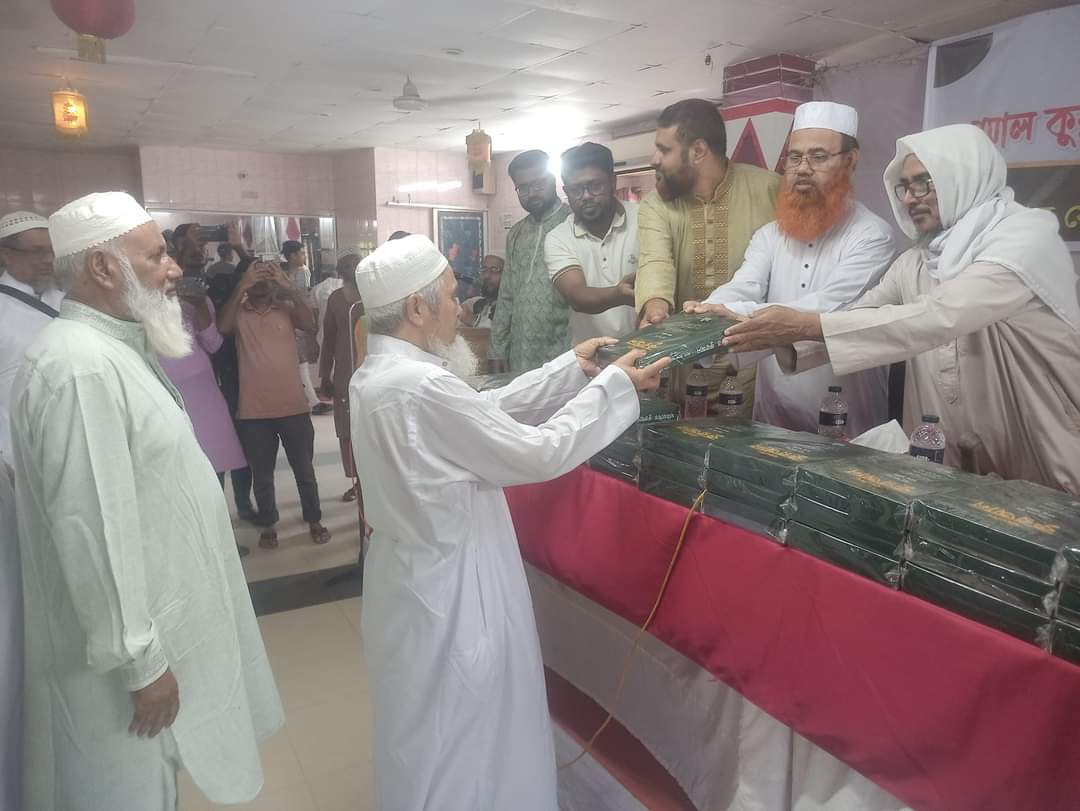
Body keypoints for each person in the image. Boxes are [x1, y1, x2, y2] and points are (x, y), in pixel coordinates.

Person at [349, 234, 669, 810]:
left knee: (426, 733)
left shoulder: (376, 375)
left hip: (408, 582)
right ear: (417, 309)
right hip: (456, 592)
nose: (459, 308)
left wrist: (571, 369)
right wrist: (615, 387)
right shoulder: (421, 386)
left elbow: (482, 415)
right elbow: (536, 454)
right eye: (451, 296)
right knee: (468, 738)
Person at [10, 192, 282, 811]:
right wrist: (140, 665)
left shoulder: (114, 349)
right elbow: (91, 527)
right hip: (114, 665)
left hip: (148, 626)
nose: (174, 268)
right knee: (119, 788)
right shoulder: (79, 367)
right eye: (156, 255)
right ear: (103, 268)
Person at [721, 124, 1080, 493]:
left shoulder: (1025, 240)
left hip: (1039, 449)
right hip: (951, 463)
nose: (910, 198)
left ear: (964, 177)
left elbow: (942, 315)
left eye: (924, 182)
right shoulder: (917, 261)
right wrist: (761, 333)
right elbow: (861, 313)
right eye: (904, 186)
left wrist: (802, 325)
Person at [685, 102, 895, 436]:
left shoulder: (872, 235)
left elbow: (829, 305)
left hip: (846, 416)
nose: (802, 169)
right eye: (795, 158)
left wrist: (734, 314)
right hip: (774, 413)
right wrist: (708, 312)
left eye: (818, 157)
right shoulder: (770, 235)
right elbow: (745, 284)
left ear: (850, 160)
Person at [635, 99, 780, 412]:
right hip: (687, 368)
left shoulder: (770, 190)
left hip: (756, 368)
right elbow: (655, 260)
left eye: (664, 149)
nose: (654, 159)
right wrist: (655, 306)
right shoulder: (656, 206)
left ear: (698, 151)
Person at [219, 257, 332, 548]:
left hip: (293, 407)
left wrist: (290, 288)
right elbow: (222, 328)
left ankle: (314, 520)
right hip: (254, 411)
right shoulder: (238, 313)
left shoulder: (287, 308)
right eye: (255, 278)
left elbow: (309, 324)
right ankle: (268, 524)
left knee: (304, 471)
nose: (261, 284)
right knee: (262, 475)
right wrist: (242, 286)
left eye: (266, 278)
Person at [158, 279, 251, 556]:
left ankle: (221, 541)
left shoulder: (195, 302)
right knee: (177, 475)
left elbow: (214, 343)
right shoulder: (136, 308)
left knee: (214, 472)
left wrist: (199, 305)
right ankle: (189, 544)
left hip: (205, 398)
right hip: (166, 398)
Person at [546, 142, 639, 345]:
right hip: (592, 357)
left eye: (595, 186)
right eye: (576, 189)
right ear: (566, 191)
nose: (586, 196)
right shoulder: (558, 237)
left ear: (613, 182)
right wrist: (618, 293)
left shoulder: (645, 218)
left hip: (652, 351)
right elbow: (576, 295)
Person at [489, 150, 572, 373]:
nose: (531, 193)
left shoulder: (573, 224)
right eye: (523, 188)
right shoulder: (516, 234)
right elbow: (506, 295)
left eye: (538, 184)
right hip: (519, 351)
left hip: (563, 349)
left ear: (552, 180)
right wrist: (497, 348)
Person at [0, 211, 63, 464]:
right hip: (18, 452)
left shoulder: (68, 301)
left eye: (51, 251)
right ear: (6, 254)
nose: (47, 260)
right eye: (36, 252)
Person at [207, 256, 256, 521]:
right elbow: (218, 332)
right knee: (219, 449)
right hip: (216, 383)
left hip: (242, 381)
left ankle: (243, 504)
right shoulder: (214, 303)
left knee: (242, 449)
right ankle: (219, 510)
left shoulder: (249, 304)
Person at [318, 253, 363, 502]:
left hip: (374, 370)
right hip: (345, 373)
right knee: (347, 428)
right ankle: (358, 481)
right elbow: (329, 340)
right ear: (339, 271)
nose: (350, 269)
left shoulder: (377, 294)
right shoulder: (336, 298)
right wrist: (325, 374)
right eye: (345, 266)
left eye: (355, 265)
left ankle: (373, 481)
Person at [281, 240, 328, 413]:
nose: (304, 257)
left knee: (301, 360)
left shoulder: (303, 271)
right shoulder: (284, 273)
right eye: (301, 253)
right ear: (292, 256)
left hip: (298, 319)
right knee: (300, 360)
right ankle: (312, 401)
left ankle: (311, 399)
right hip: (289, 319)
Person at [459, 253, 503, 328]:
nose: (487, 275)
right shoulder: (473, 303)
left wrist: (473, 320)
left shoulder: (515, 308)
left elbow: (502, 332)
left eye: (494, 270)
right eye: (484, 270)